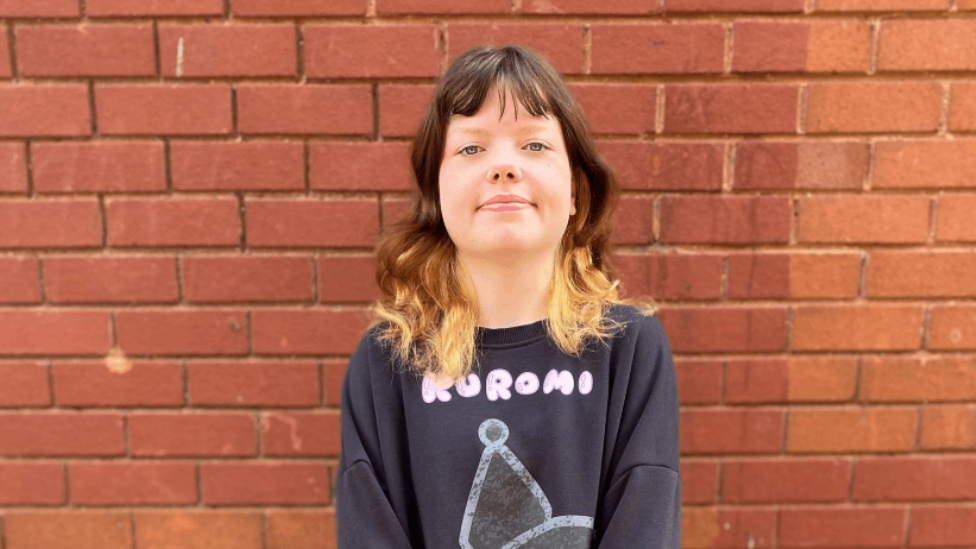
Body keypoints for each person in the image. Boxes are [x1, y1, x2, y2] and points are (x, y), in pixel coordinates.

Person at [334, 44, 681, 549]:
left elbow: (644, 526)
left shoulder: (629, 348)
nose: (503, 167)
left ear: (576, 193)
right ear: (436, 192)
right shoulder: (386, 363)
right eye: (471, 148)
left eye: (534, 145)